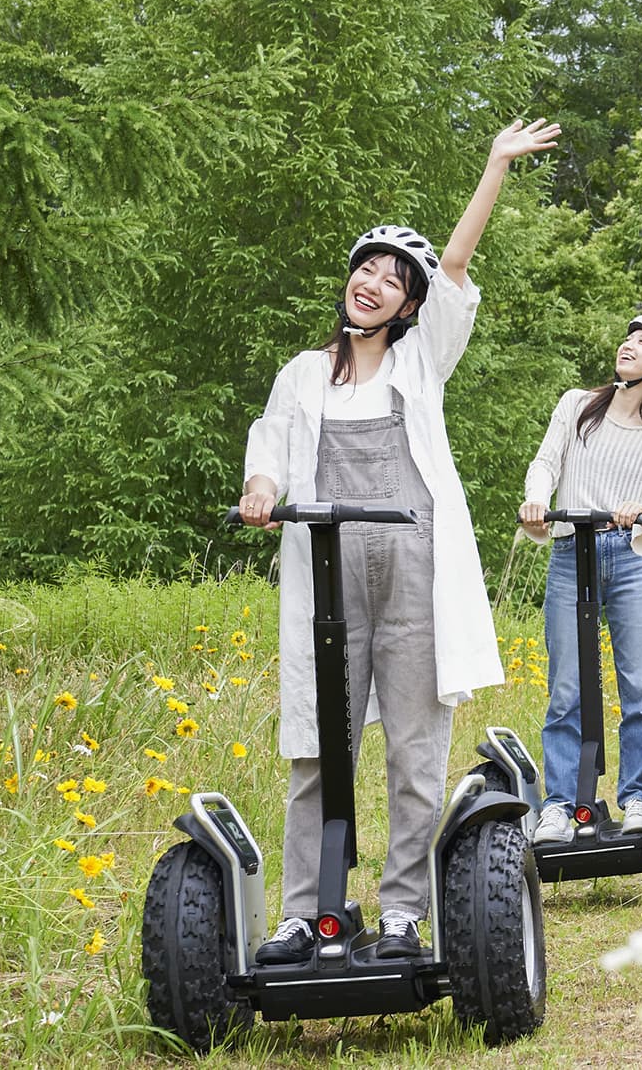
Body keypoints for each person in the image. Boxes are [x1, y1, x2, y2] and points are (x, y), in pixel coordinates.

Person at [237, 118, 560, 962]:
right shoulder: (304, 375)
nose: (373, 283)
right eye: (365, 269)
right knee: (320, 746)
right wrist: (262, 492)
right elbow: (269, 447)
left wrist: (494, 164)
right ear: (348, 284)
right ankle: (305, 913)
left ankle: (401, 913)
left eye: (392, 278)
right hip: (328, 578)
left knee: (416, 751)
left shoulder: (422, 366)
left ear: (410, 305)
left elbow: (455, 267)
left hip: (415, 577)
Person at [516, 312, 642, 843]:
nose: (628, 345)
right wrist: (537, 499)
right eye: (628, 338)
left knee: (639, 690)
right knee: (566, 688)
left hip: (631, 561)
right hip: (572, 552)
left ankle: (638, 799)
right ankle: (560, 807)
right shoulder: (577, 406)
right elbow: (546, 462)